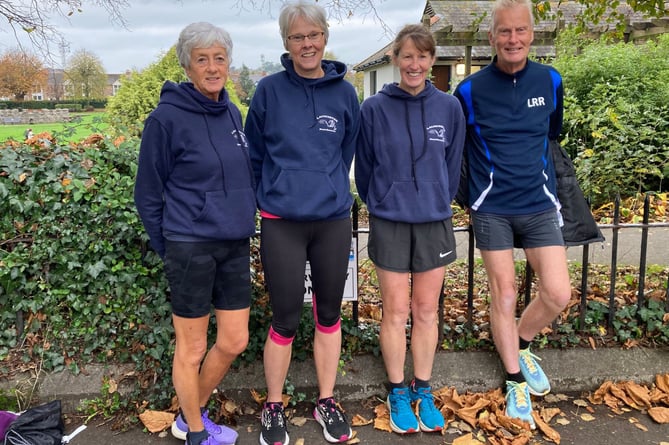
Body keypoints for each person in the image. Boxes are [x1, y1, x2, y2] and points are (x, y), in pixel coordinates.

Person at [134, 21, 256, 445]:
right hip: (190, 247)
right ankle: (197, 434)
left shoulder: (232, 112)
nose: (212, 67)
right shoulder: (165, 119)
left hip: (235, 243)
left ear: (228, 63)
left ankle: (189, 415)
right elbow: (147, 194)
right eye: (202, 59)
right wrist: (171, 247)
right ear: (187, 65)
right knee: (191, 350)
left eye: (219, 58)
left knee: (235, 339)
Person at [243, 2, 360, 444]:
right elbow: (254, 153)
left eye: (313, 35)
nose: (306, 44)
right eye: (297, 37)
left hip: (330, 219)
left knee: (328, 314)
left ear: (325, 38)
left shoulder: (346, 93)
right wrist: (271, 195)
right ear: (286, 43)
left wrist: (327, 187)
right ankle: (274, 405)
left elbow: (345, 151)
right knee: (285, 317)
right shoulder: (269, 91)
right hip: (281, 221)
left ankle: (326, 400)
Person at [453, 0, 571, 430]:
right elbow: (457, 143)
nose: (513, 39)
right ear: (491, 38)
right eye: (505, 31)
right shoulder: (468, 90)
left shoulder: (551, 80)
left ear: (531, 35)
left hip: (539, 203)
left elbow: (551, 132)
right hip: (493, 207)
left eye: (520, 30)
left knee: (558, 294)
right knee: (503, 295)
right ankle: (514, 377)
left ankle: (520, 341)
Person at [355, 24, 466, 434]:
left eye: (422, 56)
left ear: (432, 60)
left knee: (425, 310)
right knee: (396, 310)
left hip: (434, 220)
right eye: (407, 56)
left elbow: (452, 165)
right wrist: (383, 201)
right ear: (395, 60)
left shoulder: (449, 108)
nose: (414, 64)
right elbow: (364, 170)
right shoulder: (373, 109)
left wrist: (437, 197)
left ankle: (423, 388)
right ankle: (398, 390)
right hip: (390, 220)